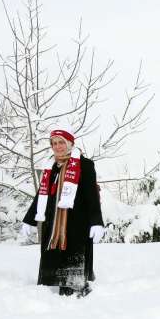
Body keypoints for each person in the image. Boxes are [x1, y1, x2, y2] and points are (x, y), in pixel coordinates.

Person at [22, 126, 104, 297]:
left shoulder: (84, 165)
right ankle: (57, 290)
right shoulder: (51, 167)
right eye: (54, 143)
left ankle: (78, 290)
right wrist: (29, 219)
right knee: (55, 257)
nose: (57, 146)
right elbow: (42, 194)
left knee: (73, 257)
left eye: (61, 143)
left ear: (70, 144)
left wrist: (96, 221)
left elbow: (91, 195)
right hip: (53, 223)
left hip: (76, 222)